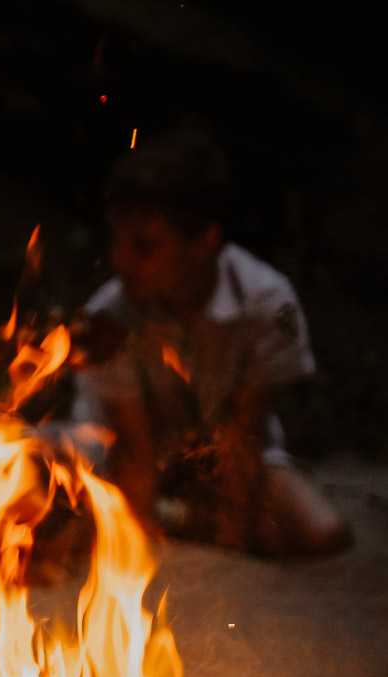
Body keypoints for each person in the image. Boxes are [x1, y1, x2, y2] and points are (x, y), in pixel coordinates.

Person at [72, 130, 351, 556]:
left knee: (320, 534)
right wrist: (139, 533)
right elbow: (133, 448)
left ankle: (186, 518)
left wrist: (229, 541)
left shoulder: (265, 303)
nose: (121, 259)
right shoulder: (109, 317)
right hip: (124, 457)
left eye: (144, 246)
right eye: (118, 240)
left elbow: (245, 435)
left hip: (227, 466)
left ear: (204, 242)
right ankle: (171, 517)